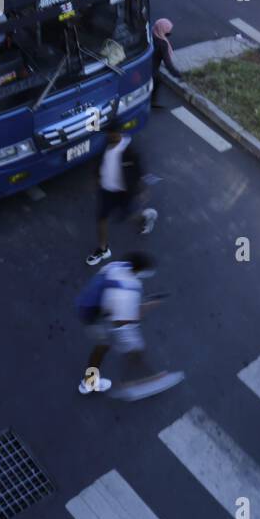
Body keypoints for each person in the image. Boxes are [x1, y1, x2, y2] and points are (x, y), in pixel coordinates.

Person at [78, 252, 182, 400]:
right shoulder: (130, 289)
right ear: (140, 270)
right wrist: (149, 305)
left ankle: (89, 381)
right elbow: (125, 319)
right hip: (106, 320)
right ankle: (130, 382)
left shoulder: (115, 267)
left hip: (90, 312)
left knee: (100, 349)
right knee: (135, 349)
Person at [87, 130, 157, 266]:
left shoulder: (130, 152)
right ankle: (103, 249)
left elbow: (139, 172)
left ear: (119, 134)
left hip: (123, 193)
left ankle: (145, 217)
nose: (110, 136)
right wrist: (96, 178)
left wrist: (142, 190)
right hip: (106, 190)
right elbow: (100, 162)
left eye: (112, 134)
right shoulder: (107, 144)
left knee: (128, 216)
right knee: (101, 218)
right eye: (108, 134)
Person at [151, 17, 181, 109]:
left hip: (142, 65)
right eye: (167, 31)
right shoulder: (162, 44)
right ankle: (153, 100)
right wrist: (177, 74)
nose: (169, 33)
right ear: (162, 30)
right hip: (151, 69)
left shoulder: (151, 33)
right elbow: (167, 63)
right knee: (158, 80)